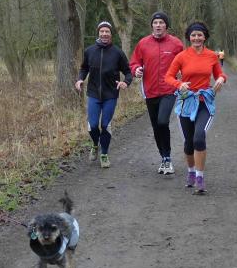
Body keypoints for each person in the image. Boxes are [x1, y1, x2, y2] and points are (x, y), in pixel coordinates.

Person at [164, 21, 226, 194]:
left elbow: (219, 73)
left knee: (199, 138)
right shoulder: (181, 56)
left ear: (205, 37)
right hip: (186, 102)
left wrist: (222, 78)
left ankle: (200, 177)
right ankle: (191, 172)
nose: (196, 38)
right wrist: (179, 84)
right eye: (193, 35)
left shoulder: (212, 56)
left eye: (200, 35)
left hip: (204, 102)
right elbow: (168, 76)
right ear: (189, 37)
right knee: (189, 142)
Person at [129, 11, 184, 174]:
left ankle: (167, 158)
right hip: (150, 90)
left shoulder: (176, 44)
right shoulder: (143, 44)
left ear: (166, 25)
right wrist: (136, 69)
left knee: (162, 121)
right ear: (152, 25)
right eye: (155, 23)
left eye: (161, 22)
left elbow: (184, 62)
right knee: (155, 126)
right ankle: (164, 157)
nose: (158, 25)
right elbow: (134, 62)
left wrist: (183, 74)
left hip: (169, 89)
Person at [75, 21, 132, 168]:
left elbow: (128, 72)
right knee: (93, 125)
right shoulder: (89, 51)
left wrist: (125, 82)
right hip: (93, 93)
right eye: (102, 31)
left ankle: (104, 154)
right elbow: (84, 68)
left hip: (110, 94)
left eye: (107, 31)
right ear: (98, 33)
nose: (104, 34)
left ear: (111, 34)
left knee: (105, 125)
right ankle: (95, 144)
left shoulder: (117, 53)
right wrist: (80, 79)